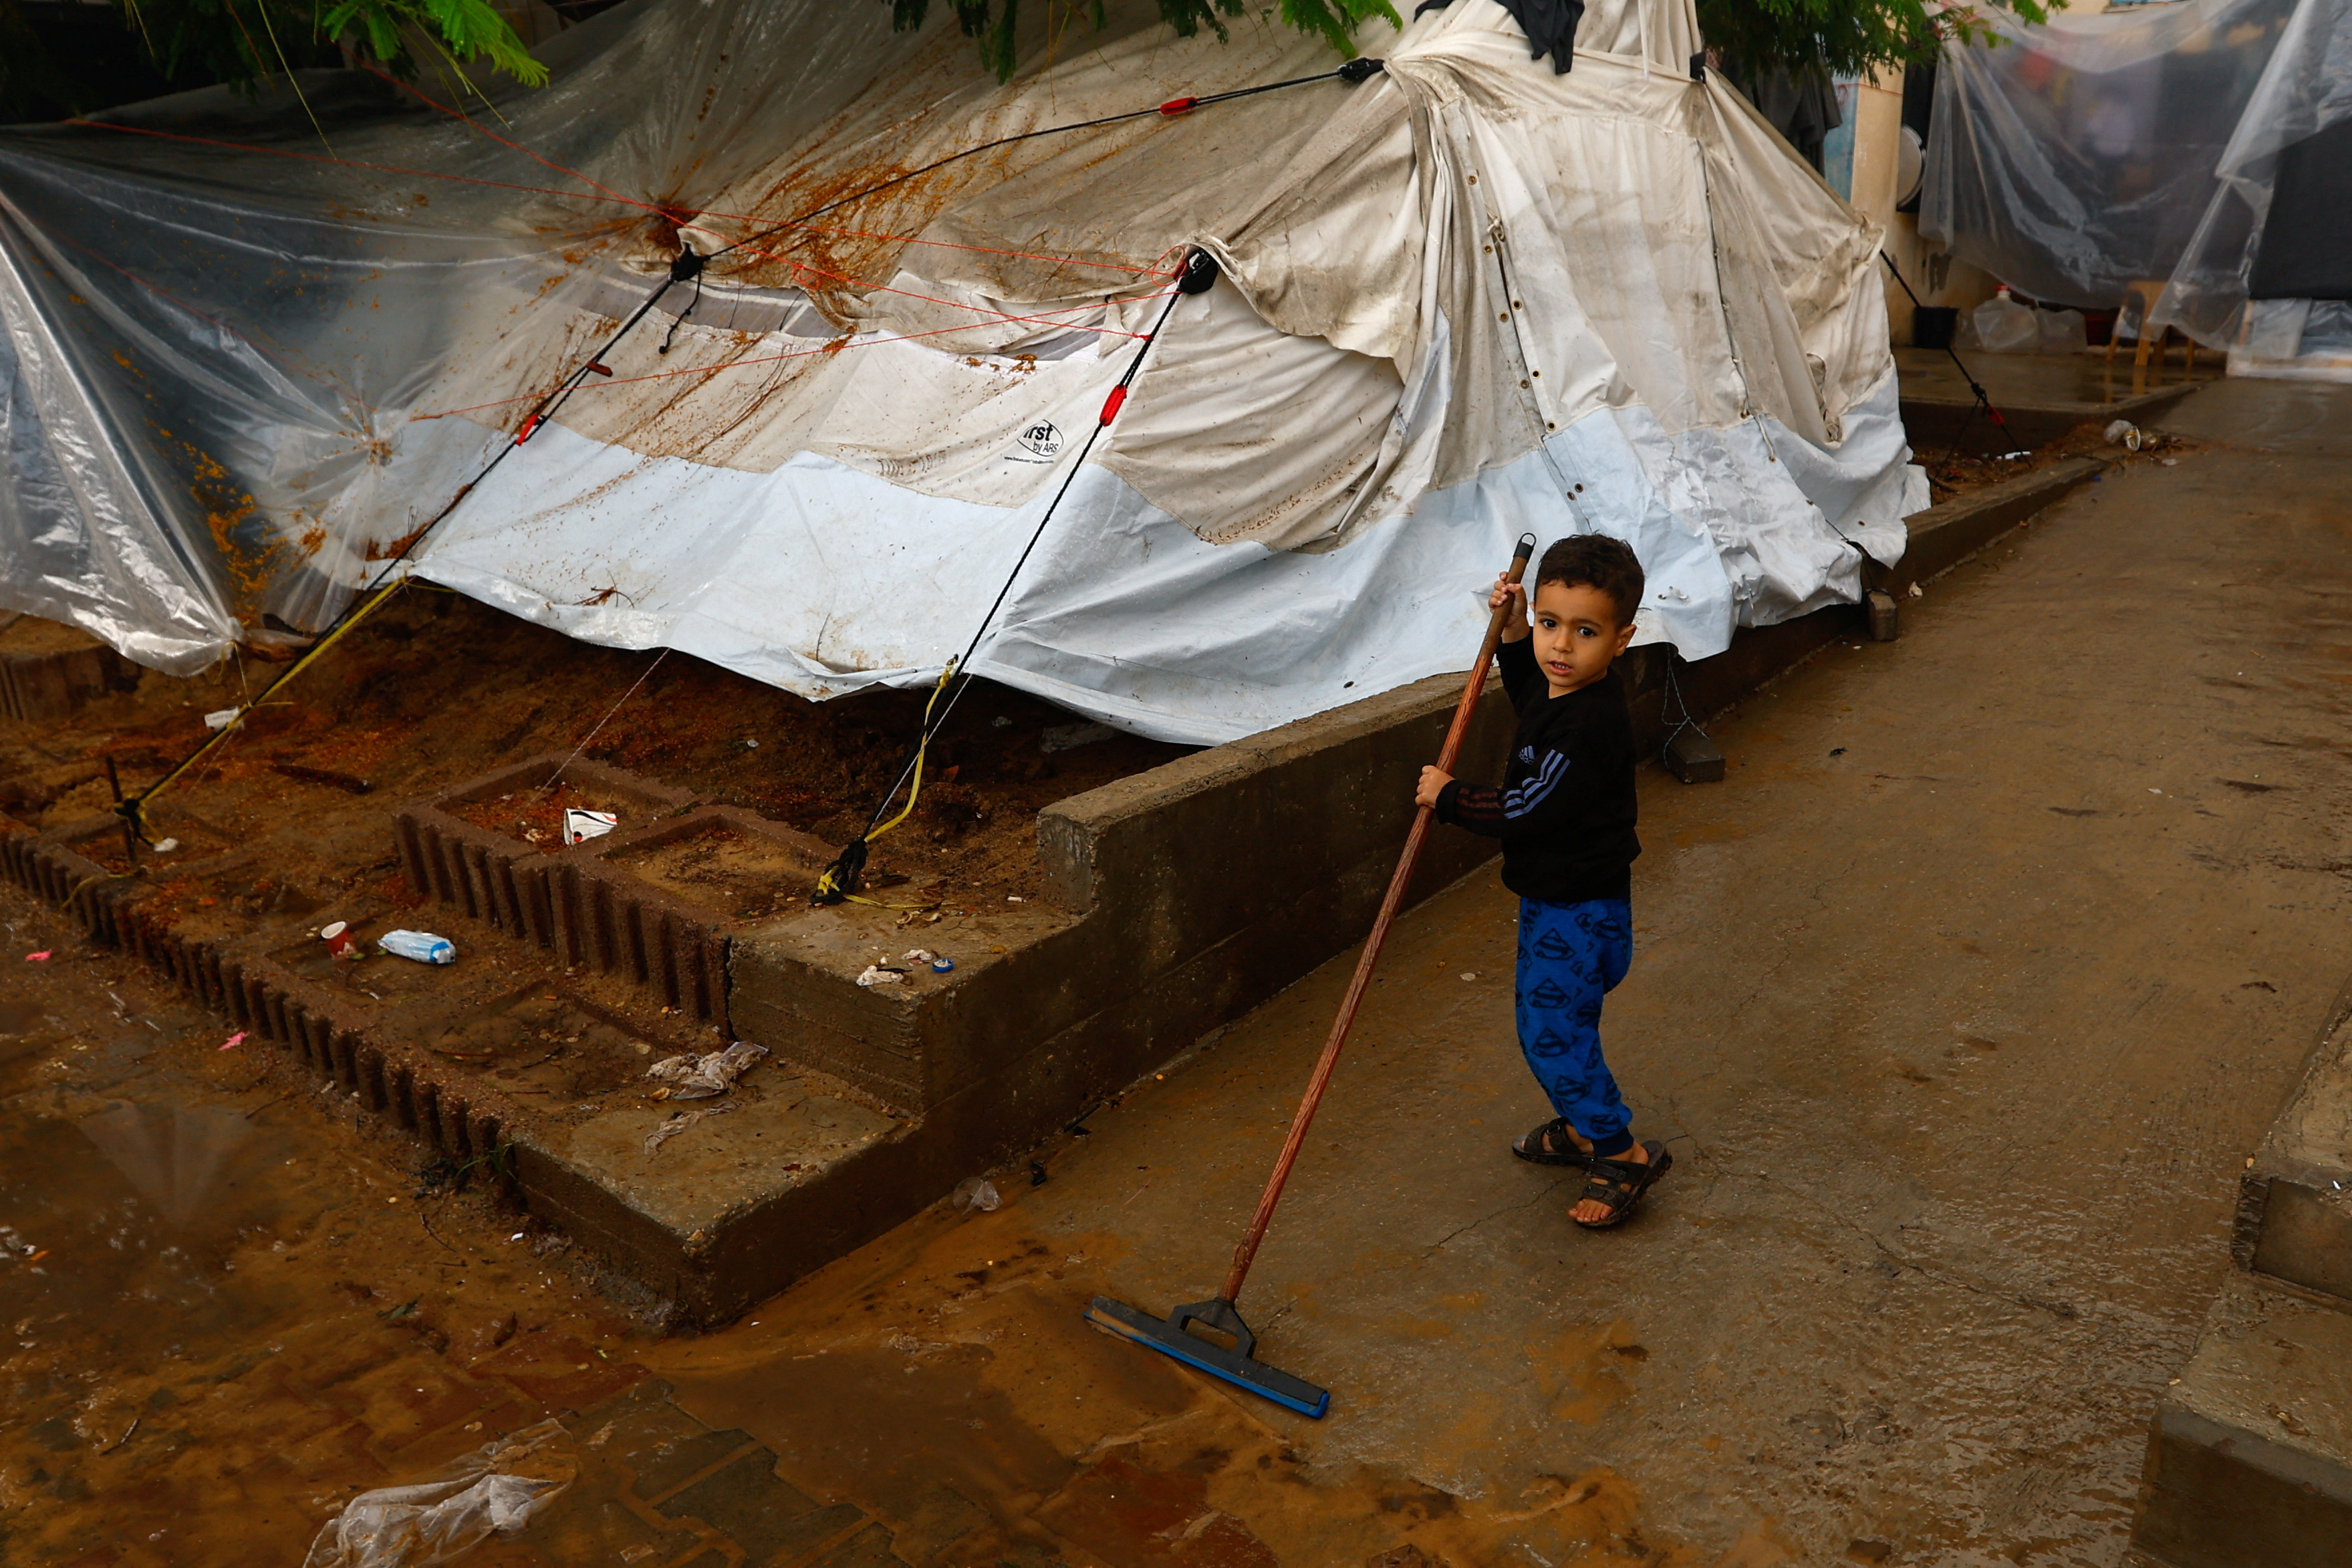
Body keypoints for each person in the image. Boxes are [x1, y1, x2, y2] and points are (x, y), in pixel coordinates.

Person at [1414, 535, 1670, 1229]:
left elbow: (1528, 808)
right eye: (1552, 625)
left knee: (1552, 1034)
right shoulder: (1566, 690)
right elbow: (1534, 692)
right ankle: (1586, 1125)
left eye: (1584, 632)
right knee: (1555, 1027)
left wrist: (1451, 797)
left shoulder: (1588, 726)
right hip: (1560, 899)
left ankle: (1619, 1150)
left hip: (1579, 913)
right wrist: (1515, 630)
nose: (1560, 646)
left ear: (1622, 639)